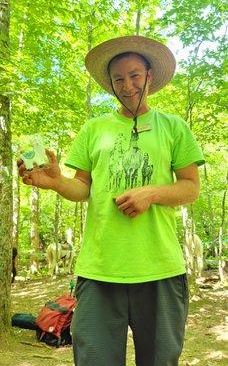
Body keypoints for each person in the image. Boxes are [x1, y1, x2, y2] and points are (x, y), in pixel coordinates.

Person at [18, 35, 205, 366]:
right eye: (119, 79)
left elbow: (191, 187)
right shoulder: (94, 129)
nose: (127, 85)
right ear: (111, 85)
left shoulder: (174, 127)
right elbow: (82, 188)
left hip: (160, 269)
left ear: (149, 75)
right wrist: (57, 182)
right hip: (100, 269)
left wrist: (151, 193)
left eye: (134, 75)